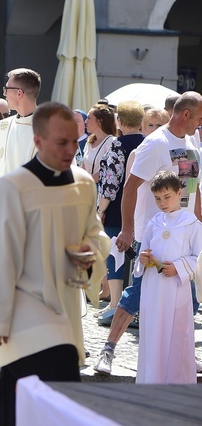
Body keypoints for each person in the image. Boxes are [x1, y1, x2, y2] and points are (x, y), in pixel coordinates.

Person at [0, 102, 110, 426]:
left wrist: (90, 251)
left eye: (74, 141)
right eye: (61, 142)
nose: (70, 149)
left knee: (22, 389)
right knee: (42, 383)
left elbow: (95, 233)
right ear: (38, 141)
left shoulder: (83, 184)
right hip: (23, 306)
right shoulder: (13, 187)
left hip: (63, 304)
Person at [94, 91, 202, 376]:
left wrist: (199, 221)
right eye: (200, 116)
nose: (201, 123)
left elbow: (193, 187)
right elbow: (130, 187)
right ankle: (109, 349)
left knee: (187, 297)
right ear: (186, 114)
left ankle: (181, 353)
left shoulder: (192, 140)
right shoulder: (155, 144)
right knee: (135, 296)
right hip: (154, 234)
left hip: (184, 233)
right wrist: (129, 230)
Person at [134, 171, 201, 384]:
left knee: (175, 337)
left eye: (167, 197)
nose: (162, 203)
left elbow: (199, 259)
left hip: (176, 291)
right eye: (157, 198)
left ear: (179, 192)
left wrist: (180, 267)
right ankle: (150, 381)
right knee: (152, 335)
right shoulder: (154, 223)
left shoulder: (191, 224)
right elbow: (143, 252)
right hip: (152, 289)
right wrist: (143, 259)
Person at [94, 101, 145, 324]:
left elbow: (111, 183)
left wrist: (100, 209)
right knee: (133, 258)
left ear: (120, 122)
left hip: (116, 208)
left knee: (115, 256)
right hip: (139, 206)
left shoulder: (117, 145)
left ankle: (115, 304)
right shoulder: (146, 143)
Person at [0, 68, 39, 188]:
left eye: (6, 89)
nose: (4, 94)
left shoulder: (48, 128)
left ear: (19, 93)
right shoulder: (4, 126)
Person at [82, 103, 117, 182]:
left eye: (89, 118)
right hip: (87, 188)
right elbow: (83, 167)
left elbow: (108, 170)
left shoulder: (111, 142)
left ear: (99, 121)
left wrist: (87, 180)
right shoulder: (89, 141)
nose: (85, 121)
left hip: (100, 190)